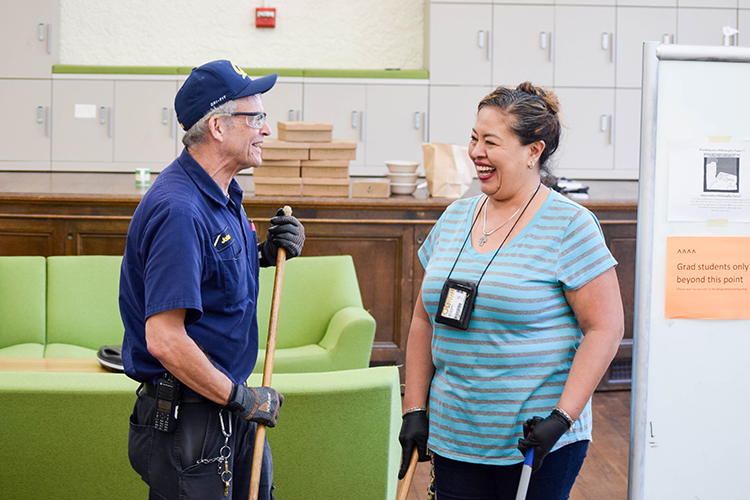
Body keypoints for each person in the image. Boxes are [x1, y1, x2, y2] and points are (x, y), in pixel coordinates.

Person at [398, 83, 624, 500]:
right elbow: (422, 319)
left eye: (490, 142)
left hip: (535, 440)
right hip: (455, 434)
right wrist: (414, 409)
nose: (475, 152)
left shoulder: (570, 225)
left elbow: (605, 328)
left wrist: (562, 417)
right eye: (473, 138)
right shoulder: (454, 217)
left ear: (532, 151)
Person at [119, 59, 305, 500]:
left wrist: (264, 253)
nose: (266, 129)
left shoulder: (223, 193)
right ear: (219, 127)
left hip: (226, 408)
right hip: (193, 420)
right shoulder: (179, 210)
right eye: (255, 117)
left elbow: (210, 275)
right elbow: (164, 338)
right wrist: (241, 399)